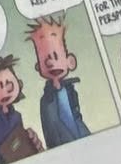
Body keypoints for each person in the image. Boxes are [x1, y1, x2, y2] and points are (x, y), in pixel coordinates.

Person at [27, 15, 91, 147]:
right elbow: (50, 131)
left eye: (56, 56)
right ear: (39, 67)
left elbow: (76, 116)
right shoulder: (46, 101)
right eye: (45, 60)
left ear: (70, 61)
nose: (51, 63)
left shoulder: (70, 90)